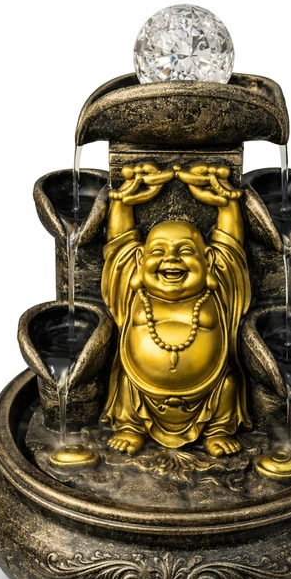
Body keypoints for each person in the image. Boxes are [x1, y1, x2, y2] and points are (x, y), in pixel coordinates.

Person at [101, 162, 251, 457]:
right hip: (142, 390)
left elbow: (231, 248)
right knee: (125, 382)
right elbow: (119, 247)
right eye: (158, 251)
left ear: (208, 260)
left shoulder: (217, 287)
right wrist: (122, 203)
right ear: (140, 260)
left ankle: (218, 429)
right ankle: (131, 426)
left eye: (185, 251)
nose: (171, 259)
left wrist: (227, 205)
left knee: (228, 383)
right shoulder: (133, 288)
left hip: (208, 391)